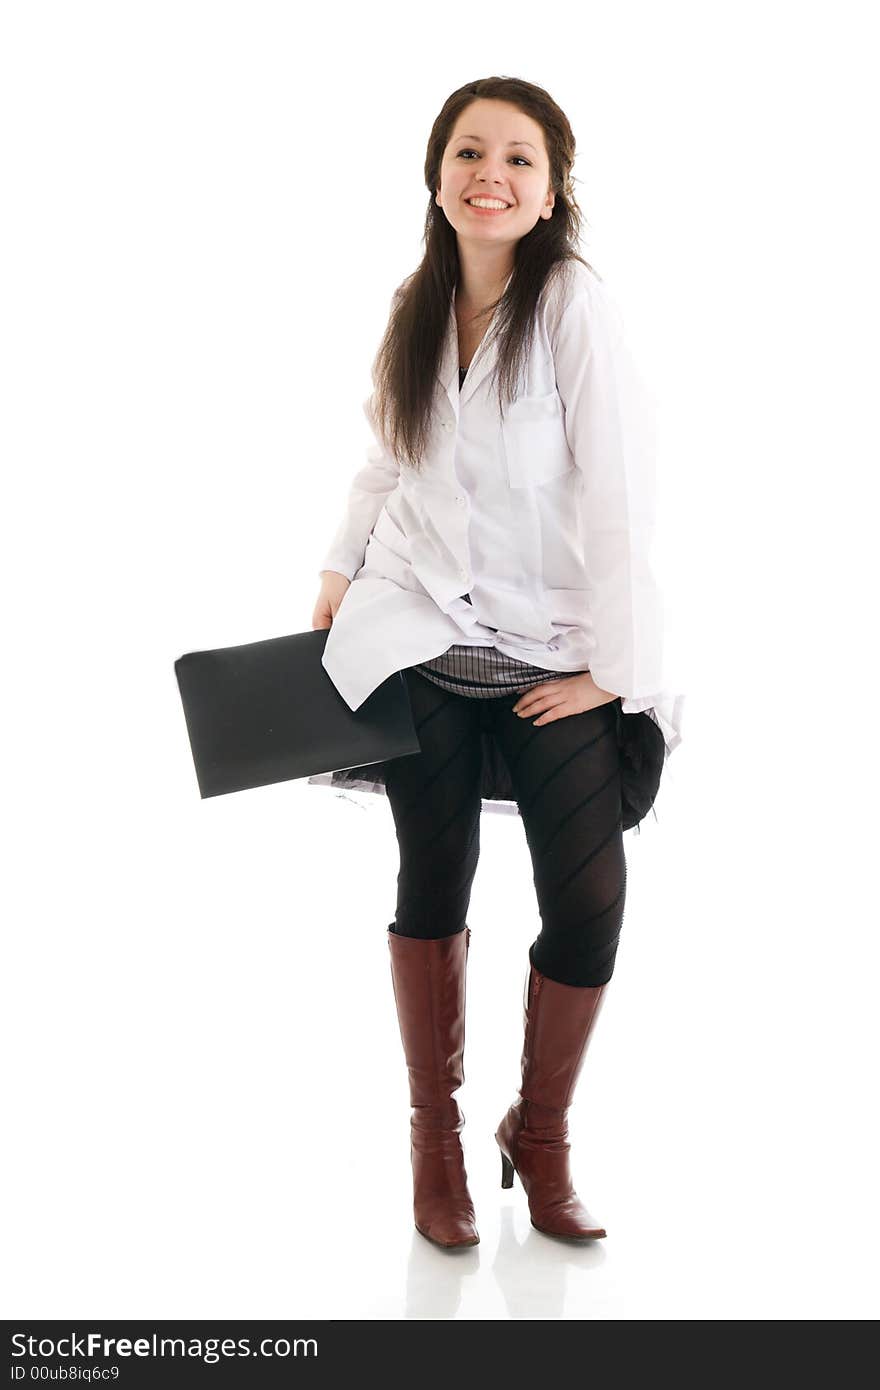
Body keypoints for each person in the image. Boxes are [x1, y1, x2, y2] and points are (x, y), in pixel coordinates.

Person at [310, 77, 684, 1249]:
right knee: (435, 884)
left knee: (589, 894)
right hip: (419, 635)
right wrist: (335, 570)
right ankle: (435, 1144)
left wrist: (616, 669)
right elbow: (385, 456)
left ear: (552, 187)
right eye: (470, 152)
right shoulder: (414, 302)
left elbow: (622, 494)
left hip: (552, 647)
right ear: (437, 175)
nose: (492, 174)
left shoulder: (571, 304)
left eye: (519, 159)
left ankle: (543, 1133)